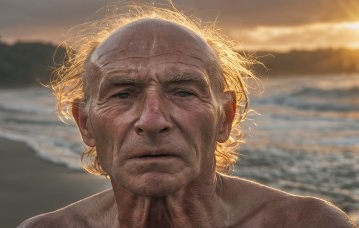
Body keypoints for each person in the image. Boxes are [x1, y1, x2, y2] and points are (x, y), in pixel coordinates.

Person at [19, 2, 356, 228]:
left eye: (183, 92)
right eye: (123, 94)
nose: (152, 121)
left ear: (225, 117)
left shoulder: (306, 223)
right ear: (85, 123)